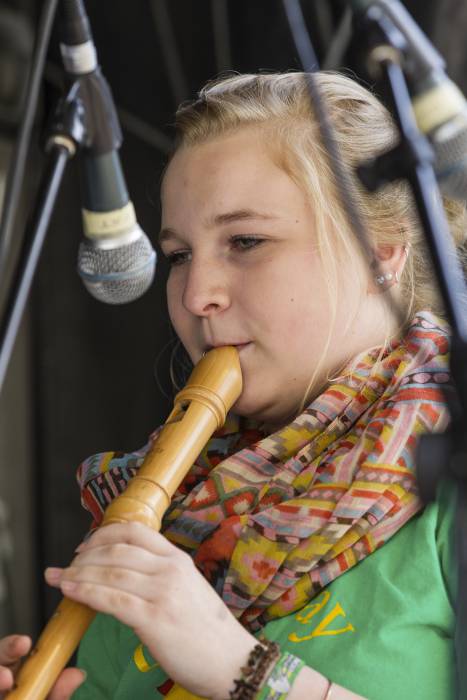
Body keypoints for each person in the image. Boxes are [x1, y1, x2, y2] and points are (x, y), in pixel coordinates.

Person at [1, 70, 464, 699]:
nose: (197, 296)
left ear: (380, 251)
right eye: (179, 255)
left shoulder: (453, 467)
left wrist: (238, 667)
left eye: (246, 241)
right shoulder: (159, 509)